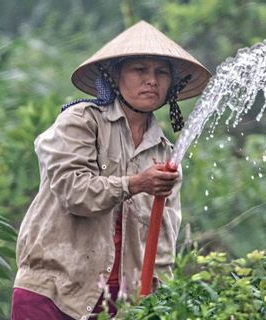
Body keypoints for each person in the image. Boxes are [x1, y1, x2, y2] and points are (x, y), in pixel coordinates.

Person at [11, 20, 211, 320]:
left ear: (172, 85)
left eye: (161, 73)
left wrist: (158, 302)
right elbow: (74, 192)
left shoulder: (166, 154)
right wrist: (136, 183)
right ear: (115, 77)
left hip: (120, 304)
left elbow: (164, 241)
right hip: (53, 293)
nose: (152, 81)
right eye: (139, 70)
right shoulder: (80, 121)